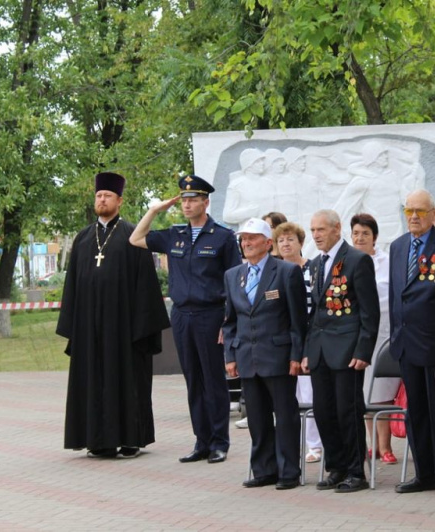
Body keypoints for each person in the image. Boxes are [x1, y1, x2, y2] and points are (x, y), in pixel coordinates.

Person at [130, 175, 241, 464]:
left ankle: (219, 442)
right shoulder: (174, 234)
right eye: (184, 199)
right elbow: (136, 238)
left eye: (193, 199)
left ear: (206, 202)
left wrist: (228, 323)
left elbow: (234, 282)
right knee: (193, 380)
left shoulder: (223, 237)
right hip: (182, 315)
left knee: (213, 380)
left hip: (211, 314)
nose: (187, 204)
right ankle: (201, 441)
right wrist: (154, 210)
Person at [58, 171, 170, 459]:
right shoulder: (82, 239)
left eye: (107, 195)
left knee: (127, 381)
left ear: (119, 200)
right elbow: (71, 286)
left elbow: (146, 286)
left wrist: (141, 329)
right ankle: (98, 440)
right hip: (89, 329)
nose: (102, 199)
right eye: (98, 195)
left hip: (124, 328)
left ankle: (131, 439)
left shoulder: (133, 237)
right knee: (92, 381)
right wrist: (74, 325)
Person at [389, 189, 435, 498]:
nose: (415, 217)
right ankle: (425, 474)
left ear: (434, 213)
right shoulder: (398, 246)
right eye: (409, 211)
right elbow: (398, 294)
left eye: (421, 211)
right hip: (406, 343)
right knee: (415, 412)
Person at [222, 218, 307, 490]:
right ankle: (263, 470)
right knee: (257, 419)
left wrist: (296, 355)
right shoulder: (233, 275)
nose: (246, 243)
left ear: (267, 243)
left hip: (279, 357)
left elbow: (297, 320)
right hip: (247, 356)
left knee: (285, 418)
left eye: (252, 238)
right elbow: (230, 321)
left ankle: (288, 472)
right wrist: (230, 356)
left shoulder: (285, 272)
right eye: (243, 239)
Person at [303, 209, 380, 493]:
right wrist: (306, 350)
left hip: (348, 349)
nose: (316, 235)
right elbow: (312, 312)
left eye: (320, 230)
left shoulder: (357, 260)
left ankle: (355, 471)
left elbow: (369, 312)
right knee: (324, 411)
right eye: (312, 230)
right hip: (320, 349)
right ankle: (335, 466)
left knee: (347, 411)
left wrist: (364, 349)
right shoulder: (314, 264)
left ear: (337, 229)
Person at [350, 213, 400, 465]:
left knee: (383, 392)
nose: (360, 238)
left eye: (365, 234)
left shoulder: (387, 262)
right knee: (364, 393)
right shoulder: (346, 261)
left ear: (375, 237)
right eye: (356, 233)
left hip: (383, 333)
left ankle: (386, 446)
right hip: (357, 335)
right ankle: (373, 446)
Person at [274, 221, 322, 463]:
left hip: (309, 336)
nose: (285, 244)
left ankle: (315, 445)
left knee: (309, 393)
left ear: (301, 243)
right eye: (281, 240)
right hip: (282, 341)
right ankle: (296, 444)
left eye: (290, 239)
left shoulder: (313, 269)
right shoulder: (273, 272)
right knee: (287, 396)